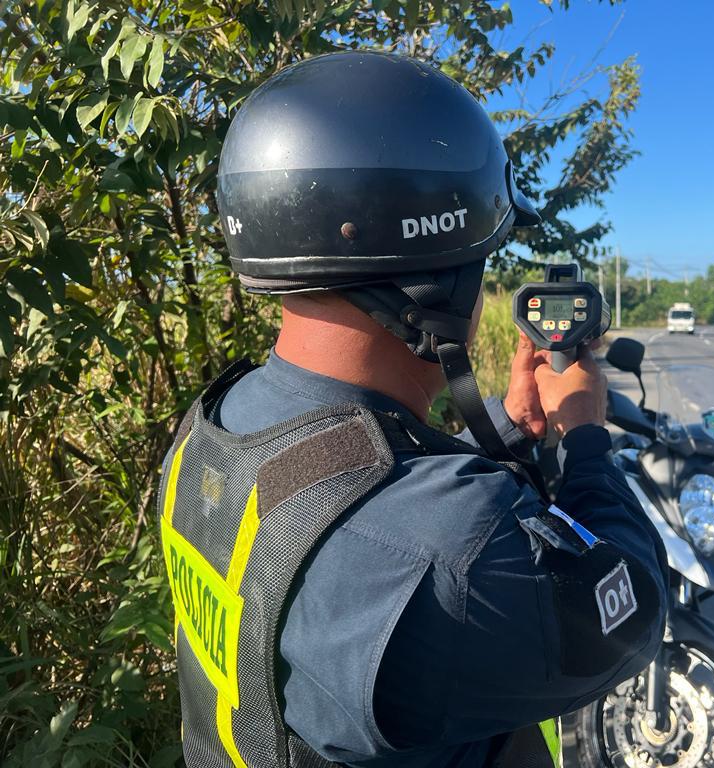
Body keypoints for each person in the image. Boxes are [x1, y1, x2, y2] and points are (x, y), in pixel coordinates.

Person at [157, 51, 668, 768]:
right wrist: (585, 436)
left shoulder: (212, 430)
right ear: (438, 287)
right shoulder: (458, 553)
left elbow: (353, 487)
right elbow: (632, 611)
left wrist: (508, 422)